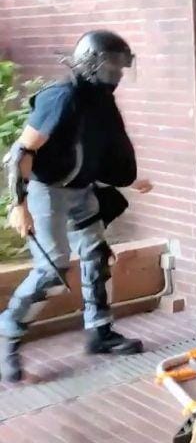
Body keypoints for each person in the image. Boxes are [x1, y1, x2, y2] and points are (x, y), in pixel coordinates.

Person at [1, 30, 152, 383]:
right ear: (92, 63)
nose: (117, 71)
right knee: (51, 268)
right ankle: (9, 333)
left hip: (81, 190)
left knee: (95, 254)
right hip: (47, 191)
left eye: (120, 64)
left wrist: (128, 180)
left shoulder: (100, 101)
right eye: (112, 63)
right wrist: (18, 204)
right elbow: (23, 152)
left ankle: (99, 332)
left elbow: (101, 148)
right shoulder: (62, 97)